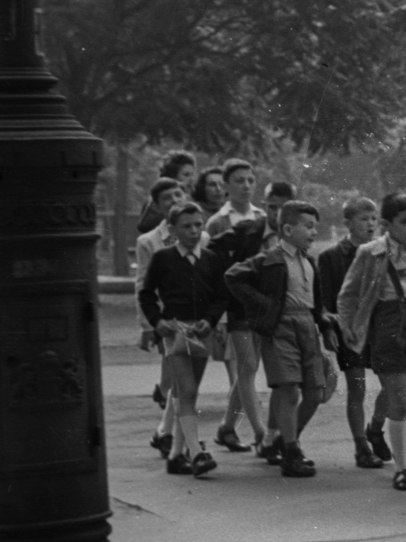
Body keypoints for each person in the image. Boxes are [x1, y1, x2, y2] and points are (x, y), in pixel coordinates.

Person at [225, 200, 336, 479]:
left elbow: (317, 303)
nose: (313, 233)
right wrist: (262, 306)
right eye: (308, 227)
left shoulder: (309, 260)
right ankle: (291, 450)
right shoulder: (270, 259)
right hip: (281, 328)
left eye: (315, 227)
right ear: (287, 229)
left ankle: (284, 441)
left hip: (307, 327)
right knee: (288, 388)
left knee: (315, 392)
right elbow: (233, 276)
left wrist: (325, 325)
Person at [339, 193, 406, 492]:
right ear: (385, 223)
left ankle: (402, 451)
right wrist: (349, 327)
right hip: (387, 327)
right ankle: (402, 469)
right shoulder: (371, 252)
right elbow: (349, 294)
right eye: (405, 222)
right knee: (400, 398)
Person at [137, 201, 226, 478]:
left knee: (189, 392)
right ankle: (195, 452)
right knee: (185, 389)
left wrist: (209, 320)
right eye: (186, 226)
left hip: (201, 333)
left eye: (198, 225)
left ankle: (176, 456)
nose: (194, 231)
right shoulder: (163, 258)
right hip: (174, 333)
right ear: (173, 229)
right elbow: (146, 293)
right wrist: (157, 321)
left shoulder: (211, 259)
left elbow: (220, 296)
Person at [318, 196, 390, 469]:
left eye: (373, 218)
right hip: (349, 329)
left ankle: (377, 427)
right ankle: (361, 446)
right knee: (357, 389)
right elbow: (327, 299)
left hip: (380, 326)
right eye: (363, 219)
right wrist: (330, 328)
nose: (370, 224)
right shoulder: (331, 257)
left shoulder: (383, 251)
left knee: (390, 385)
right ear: (347, 223)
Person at [134, 176, 194, 448]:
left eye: (178, 195)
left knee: (179, 380)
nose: (175, 201)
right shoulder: (149, 241)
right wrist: (148, 325)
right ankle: (169, 435)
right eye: (167, 199)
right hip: (165, 318)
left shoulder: (197, 233)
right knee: (178, 378)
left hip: (192, 316)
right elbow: (142, 284)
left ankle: (165, 432)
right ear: (157, 207)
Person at [136, 152, 198, 234]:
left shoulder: (189, 197)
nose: (192, 179)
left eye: (192, 174)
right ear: (171, 177)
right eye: (186, 175)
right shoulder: (157, 200)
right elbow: (144, 226)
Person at [204, 158, 266, 236]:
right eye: (240, 181)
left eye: (251, 181)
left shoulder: (263, 218)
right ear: (225, 186)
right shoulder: (216, 223)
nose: (247, 186)